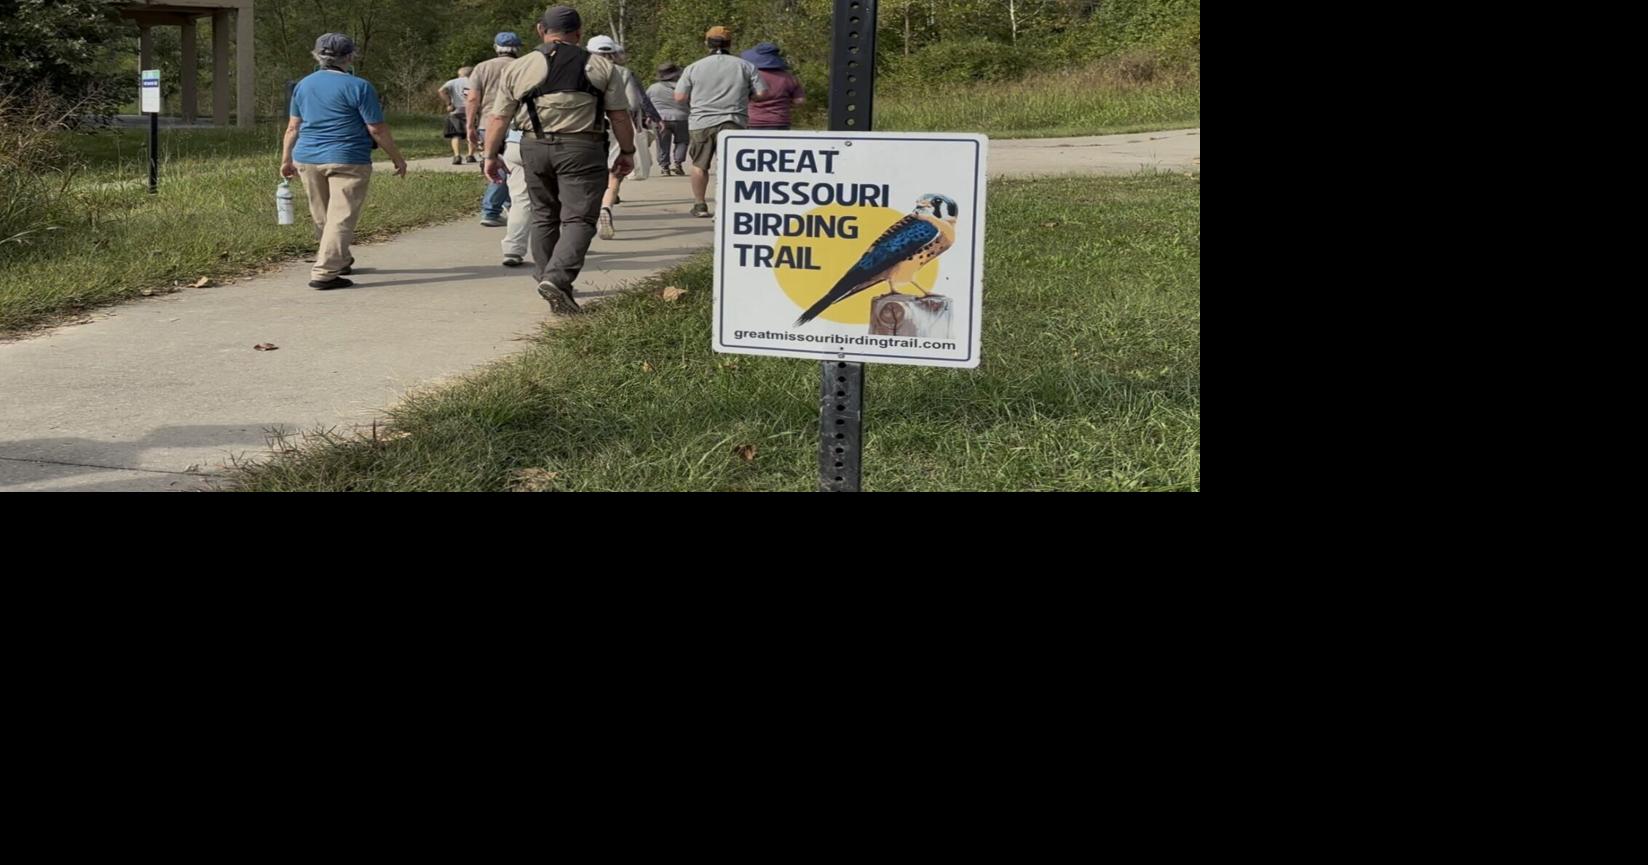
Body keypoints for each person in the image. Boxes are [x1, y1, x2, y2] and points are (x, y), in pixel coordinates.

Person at [481, 5, 636, 315]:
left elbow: (499, 118)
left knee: (543, 214)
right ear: (578, 34)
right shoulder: (603, 67)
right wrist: (628, 152)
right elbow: (619, 116)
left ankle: (548, 276)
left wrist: (489, 155)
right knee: (579, 218)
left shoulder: (519, 67)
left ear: (541, 30)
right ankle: (557, 278)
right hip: (583, 147)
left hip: (534, 146)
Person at [280, 33, 408, 290]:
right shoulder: (359, 86)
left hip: (307, 157)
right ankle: (325, 272)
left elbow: (293, 126)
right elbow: (376, 128)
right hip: (348, 158)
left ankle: (340, 259)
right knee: (340, 217)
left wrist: (286, 159)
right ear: (350, 57)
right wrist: (397, 158)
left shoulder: (302, 85)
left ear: (317, 55)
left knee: (323, 214)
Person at [674, 25, 768, 218]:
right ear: (730, 43)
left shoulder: (694, 67)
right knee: (732, 166)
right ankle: (730, 206)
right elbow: (762, 93)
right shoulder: (745, 66)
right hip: (734, 121)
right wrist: (746, 96)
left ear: (707, 43)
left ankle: (700, 205)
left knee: (700, 165)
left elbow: (680, 97)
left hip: (702, 122)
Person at [586, 35, 660, 240]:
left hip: (586, 127)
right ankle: (606, 207)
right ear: (612, 52)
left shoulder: (582, 70)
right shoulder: (623, 72)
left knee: (588, 172)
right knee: (614, 170)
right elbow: (633, 104)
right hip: (616, 126)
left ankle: (586, 214)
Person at [466, 32, 524, 230]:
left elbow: (473, 98)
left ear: (496, 47)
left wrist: (469, 125)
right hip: (517, 122)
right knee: (514, 167)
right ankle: (496, 208)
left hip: (488, 122)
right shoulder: (523, 65)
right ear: (518, 48)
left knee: (497, 167)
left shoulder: (482, 67)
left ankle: (496, 209)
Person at [742, 42, 805, 130]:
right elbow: (799, 101)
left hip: (753, 121)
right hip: (780, 122)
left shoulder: (752, 76)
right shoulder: (789, 77)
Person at [646, 62, 688, 176]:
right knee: (682, 142)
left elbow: (646, 103)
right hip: (682, 118)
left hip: (660, 119)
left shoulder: (653, 88)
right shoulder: (682, 87)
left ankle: (665, 167)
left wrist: (648, 116)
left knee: (662, 143)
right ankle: (678, 163)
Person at [439, 66, 476, 164]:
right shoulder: (472, 82)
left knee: (455, 134)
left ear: (459, 74)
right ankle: (470, 155)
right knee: (471, 133)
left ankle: (457, 155)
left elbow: (441, 90)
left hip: (456, 111)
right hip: (470, 110)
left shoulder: (452, 82)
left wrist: (449, 103)